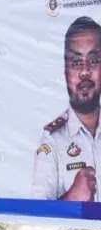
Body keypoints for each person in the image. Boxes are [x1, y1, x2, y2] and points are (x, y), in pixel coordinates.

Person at [32, 16, 101, 201]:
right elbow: (37, 217)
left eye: (94, 60)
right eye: (76, 62)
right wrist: (72, 197)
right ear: (65, 71)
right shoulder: (52, 140)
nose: (85, 71)